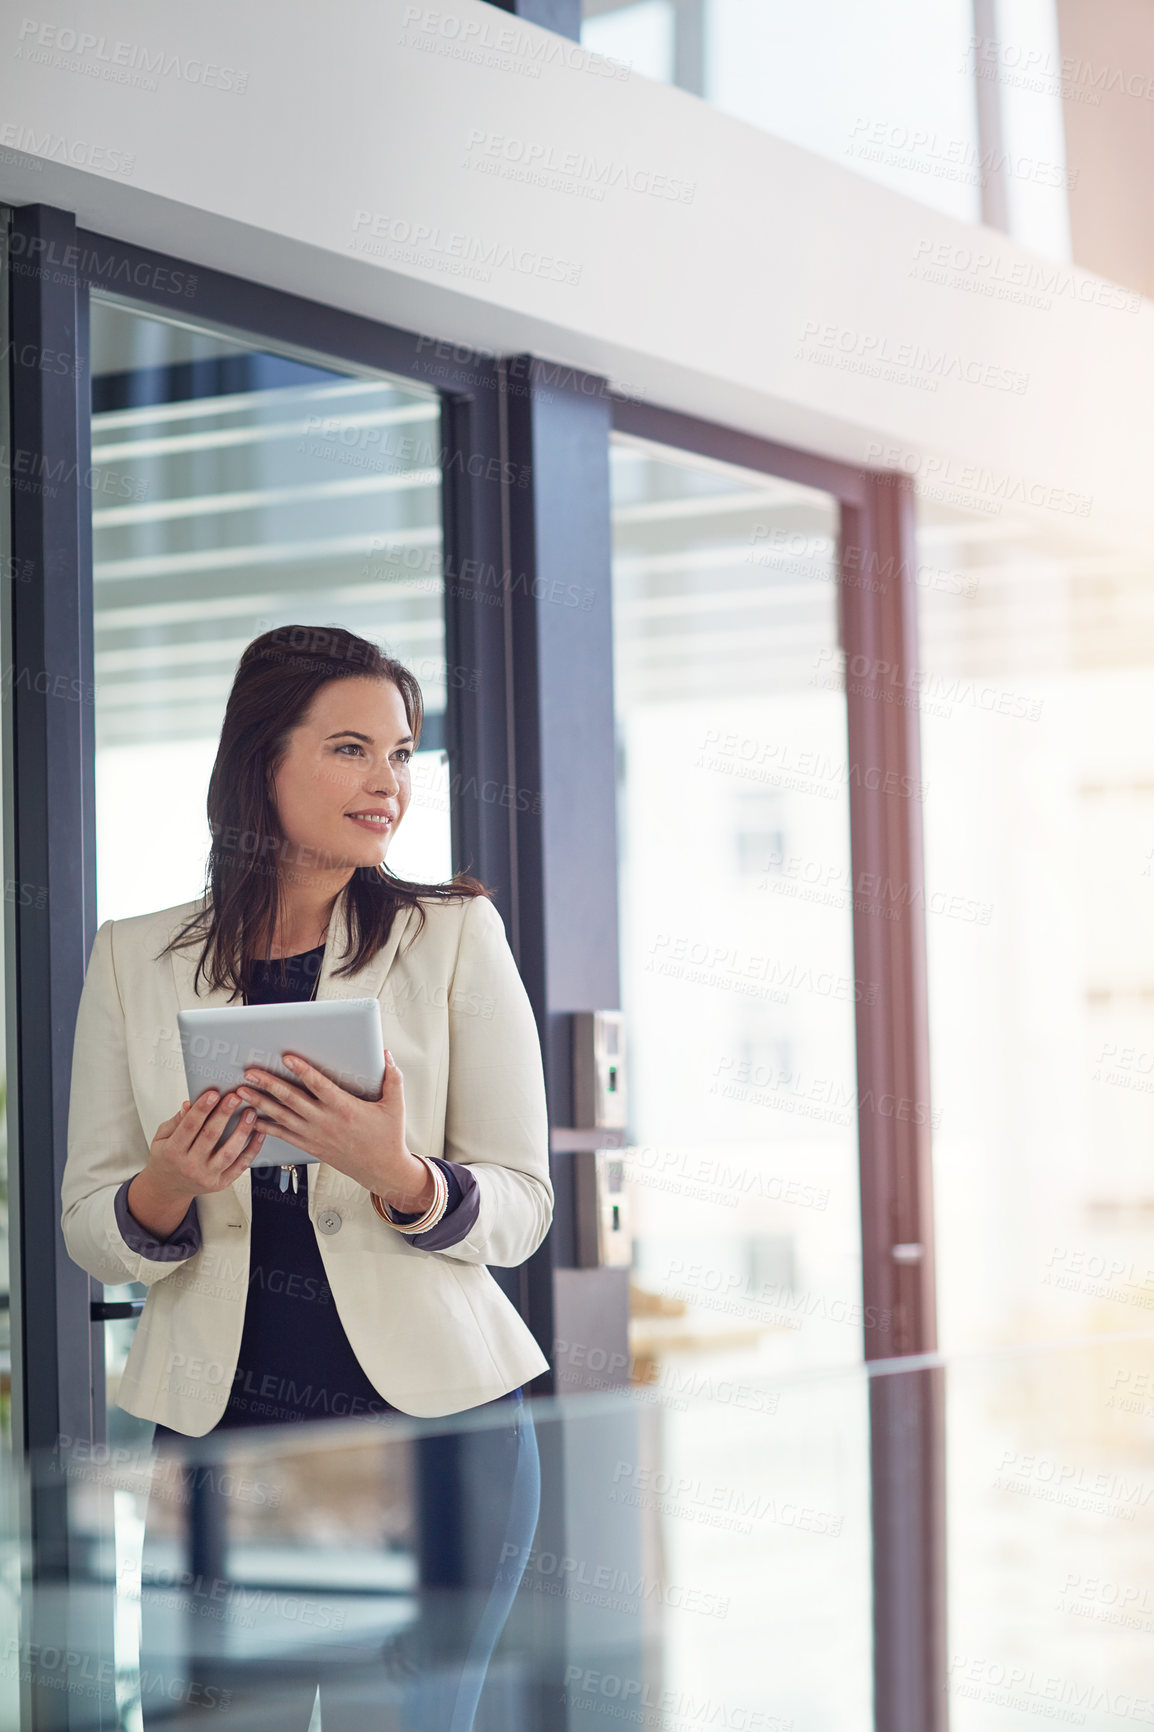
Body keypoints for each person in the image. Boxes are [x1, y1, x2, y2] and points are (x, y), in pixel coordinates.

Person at [61, 625, 553, 1729]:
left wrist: (402, 1175)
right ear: (261, 762)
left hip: (433, 1432)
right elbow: (92, 1223)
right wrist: (165, 1187)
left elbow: (523, 1200)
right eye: (349, 748)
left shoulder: (453, 936)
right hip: (222, 1440)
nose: (387, 783)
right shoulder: (131, 959)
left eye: (401, 753)